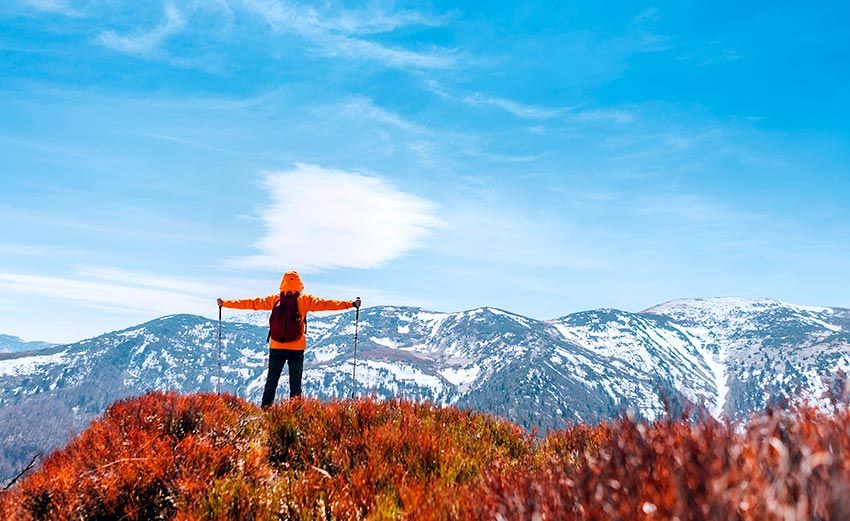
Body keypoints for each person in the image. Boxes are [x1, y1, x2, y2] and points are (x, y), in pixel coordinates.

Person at [217, 271, 360, 407]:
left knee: (271, 381)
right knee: (295, 384)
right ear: (299, 283)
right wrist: (351, 304)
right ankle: (295, 414)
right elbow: (328, 304)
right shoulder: (305, 300)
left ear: (283, 282)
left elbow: (250, 303)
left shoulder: (274, 299)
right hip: (296, 348)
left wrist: (226, 303)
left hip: (276, 346)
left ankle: (265, 411)